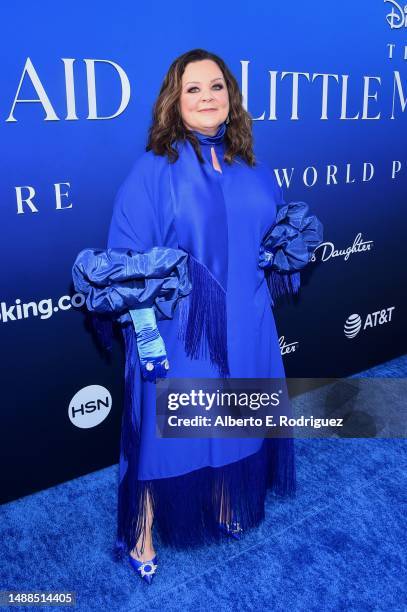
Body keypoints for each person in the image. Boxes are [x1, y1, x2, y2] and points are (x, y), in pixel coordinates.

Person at [72, 48, 323, 585]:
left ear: (231, 97)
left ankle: (225, 496)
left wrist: (281, 250)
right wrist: (147, 334)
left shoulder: (251, 166)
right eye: (194, 89)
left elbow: (274, 232)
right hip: (180, 329)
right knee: (166, 430)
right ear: (174, 100)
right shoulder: (154, 170)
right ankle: (140, 528)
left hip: (248, 316)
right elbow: (126, 260)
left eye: (217, 87)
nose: (208, 97)